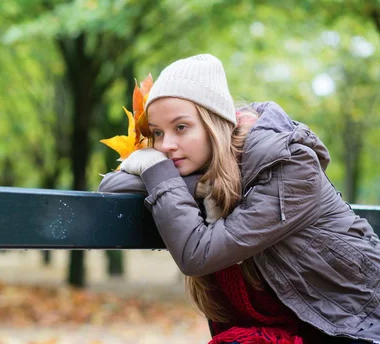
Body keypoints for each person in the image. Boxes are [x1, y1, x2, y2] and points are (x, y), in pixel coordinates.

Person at [98, 54, 380, 344]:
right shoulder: (206, 169)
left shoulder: (290, 166)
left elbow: (197, 254)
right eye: (157, 133)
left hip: (357, 327)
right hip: (295, 328)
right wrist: (193, 184)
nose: (165, 146)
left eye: (181, 127)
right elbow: (111, 184)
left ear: (216, 124)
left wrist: (157, 170)